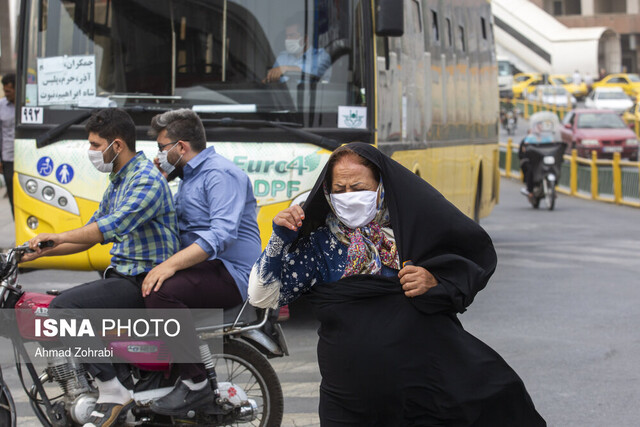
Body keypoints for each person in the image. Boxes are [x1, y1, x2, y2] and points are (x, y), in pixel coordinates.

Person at [249, 142, 546, 425]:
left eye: (359, 188)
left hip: (422, 392)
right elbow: (262, 296)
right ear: (327, 192)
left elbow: (466, 267)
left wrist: (433, 281)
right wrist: (279, 239)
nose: (348, 196)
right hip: (348, 400)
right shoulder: (320, 246)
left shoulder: (413, 234)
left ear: (381, 187)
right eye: (339, 189)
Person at [23, 108, 180, 427]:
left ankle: (113, 390)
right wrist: (35, 254)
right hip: (124, 276)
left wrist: (57, 235)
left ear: (117, 145)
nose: (92, 152)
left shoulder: (145, 179)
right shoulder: (120, 179)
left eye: (96, 145)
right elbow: (90, 234)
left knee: (63, 308)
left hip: (143, 282)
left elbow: (108, 227)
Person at [143, 109, 262, 415]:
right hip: (209, 267)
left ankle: (194, 383)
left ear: (180, 147)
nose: (159, 154)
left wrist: (169, 266)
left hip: (232, 272)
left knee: (161, 291)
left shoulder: (220, 174)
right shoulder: (189, 175)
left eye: (162, 147)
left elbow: (221, 234)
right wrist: (162, 174)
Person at [264, 15, 332, 83]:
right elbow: (270, 81)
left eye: (292, 35)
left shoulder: (321, 57)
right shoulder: (282, 58)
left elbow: (315, 72)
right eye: (286, 36)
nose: (287, 39)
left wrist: (287, 69)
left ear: (305, 39)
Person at [0, 73, 15, 217]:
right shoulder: (1, 106)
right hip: (8, 157)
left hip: (28, 156)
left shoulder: (28, 105)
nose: (6, 94)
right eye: (5, 91)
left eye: (9, 91)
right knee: (12, 194)